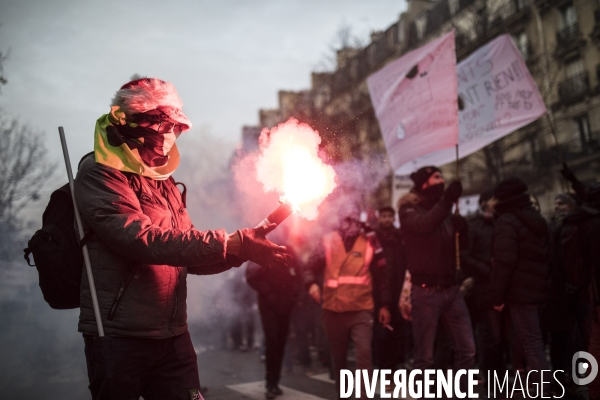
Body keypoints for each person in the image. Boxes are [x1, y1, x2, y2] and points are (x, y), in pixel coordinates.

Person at [74, 76, 289, 400]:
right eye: (160, 126)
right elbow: (139, 239)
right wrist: (233, 242)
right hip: (119, 336)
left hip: (172, 334)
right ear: (130, 124)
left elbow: (186, 249)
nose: (168, 136)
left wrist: (241, 249)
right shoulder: (100, 172)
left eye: (172, 128)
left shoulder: (165, 183)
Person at [397, 166, 475, 382]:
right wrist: (447, 200)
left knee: (467, 349)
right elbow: (424, 226)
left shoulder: (444, 212)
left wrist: (463, 229)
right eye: (437, 177)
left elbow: (462, 247)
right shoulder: (409, 210)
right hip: (426, 293)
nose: (442, 181)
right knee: (424, 358)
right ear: (424, 183)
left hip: (452, 290)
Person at [304, 211, 391, 399]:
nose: (348, 223)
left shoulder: (370, 239)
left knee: (364, 354)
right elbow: (310, 266)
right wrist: (311, 285)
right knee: (338, 358)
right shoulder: (327, 240)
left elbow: (382, 273)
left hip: (361, 308)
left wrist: (384, 304)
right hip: (333, 310)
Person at [490, 177, 551, 395]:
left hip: (520, 292)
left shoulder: (506, 221)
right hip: (539, 289)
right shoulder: (535, 217)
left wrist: (497, 297)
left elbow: (505, 262)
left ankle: (544, 391)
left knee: (532, 345)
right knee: (531, 342)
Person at [461, 188, 507, 380]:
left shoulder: (501, 223)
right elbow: (465, 255)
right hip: (484, 287)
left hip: (501, 286)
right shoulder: (473, 227)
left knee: (501, 334)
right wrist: (486, 269)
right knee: (491, 333)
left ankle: (499, 373)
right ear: (484, 202)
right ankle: (491, 376)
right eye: (492, 200)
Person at [246, 244, 302, 399]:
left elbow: (298, 275)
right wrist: (268, 292)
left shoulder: (290, 250)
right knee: (272, 340)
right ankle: (270, 383)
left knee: (281, 342)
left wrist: (293, 295)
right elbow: (250, 276)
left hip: (285, 304)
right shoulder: (261, 249)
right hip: (269, 305)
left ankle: (275, 382)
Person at [373, 206, 406, 371]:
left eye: (389, 216)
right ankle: (381, 361)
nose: (387, 219)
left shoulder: (399, 236)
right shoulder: (374, 236)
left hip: (396, 286)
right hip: (379, 287)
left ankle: (393, 361)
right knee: (381, 325)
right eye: (384, 216)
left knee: (395, 324)